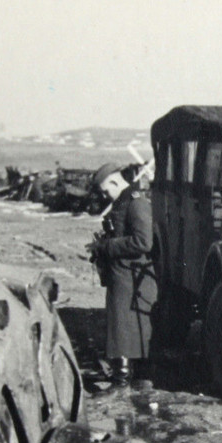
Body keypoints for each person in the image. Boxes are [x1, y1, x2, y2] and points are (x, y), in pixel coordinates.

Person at [87, 163, 158, 387]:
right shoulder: (122, 202)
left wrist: (107, 246)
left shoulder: (136, 204)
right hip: (123, 277)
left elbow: (143, 242)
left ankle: (123, 381)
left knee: (125, 330)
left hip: (133, 279)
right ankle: (127, 378)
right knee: (121, 329)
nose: (104, 195)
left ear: (115, 182)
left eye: (105, 190)